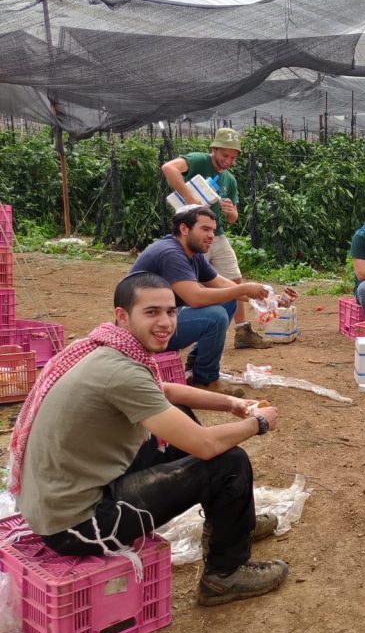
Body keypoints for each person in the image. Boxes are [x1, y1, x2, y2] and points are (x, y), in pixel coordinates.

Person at [8, 272, 288, 606]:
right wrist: (258, 423)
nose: (165, 322)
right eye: (151, 312)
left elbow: (163, 391)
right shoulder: (121, 371)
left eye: (170, 311)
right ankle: (225, 575)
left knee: (177, 416)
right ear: (122, 315)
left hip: (59, 501)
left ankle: (232, 525)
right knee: (228, 462)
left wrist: (231, 403)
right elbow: (205, 444)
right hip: (78, 527)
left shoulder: (104, 348)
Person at [131, 205, 273, 397]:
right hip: (143, 329)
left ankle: (195, 366)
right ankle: (205, 380)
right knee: (215, 316)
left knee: (228, 302)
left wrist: (266, 297)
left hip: (160, 319)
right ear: (184, 228)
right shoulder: (170, 253)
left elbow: (220, 284)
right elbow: (195, 298)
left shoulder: (192, 252)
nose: (211, 235)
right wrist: (242, 289)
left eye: (213, 230)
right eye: (205, 229)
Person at [162, 127, 250, 326]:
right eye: (225, 155)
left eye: (233, 157)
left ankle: (242, 329)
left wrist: (230, 211)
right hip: (191, 235)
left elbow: (233, 218)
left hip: (216, 234)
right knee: (191, 283)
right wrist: (191, 200)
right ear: (214, 149)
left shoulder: (230, 179)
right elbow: (169, 168)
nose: (228, 161)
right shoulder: (198, 160)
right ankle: (182, 326)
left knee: (234, 279)